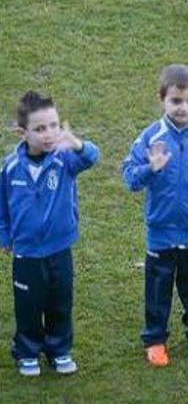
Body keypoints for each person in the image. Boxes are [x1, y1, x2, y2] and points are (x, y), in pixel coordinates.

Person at [122, 64, 188, 366]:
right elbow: (130, 178)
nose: (183, 108)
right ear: (162, 100)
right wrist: (150, 168)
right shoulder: (150, 137)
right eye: (176, 101)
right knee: (158, 288)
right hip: (162, 231)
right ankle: (155, 339)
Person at [0, 91, 100, 376]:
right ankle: (27, 351)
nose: (49, 134)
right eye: (40, 128)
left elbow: (93, 157)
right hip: (27, 252)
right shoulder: (9, 168)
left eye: (54, 125)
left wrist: (76, 144)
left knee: (60, 302)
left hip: (59, 248)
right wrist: (5, 235)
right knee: (28, 305)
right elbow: (1, 206)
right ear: (22, 132)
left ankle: (59, 350)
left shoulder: (65, 159)